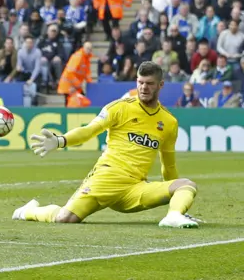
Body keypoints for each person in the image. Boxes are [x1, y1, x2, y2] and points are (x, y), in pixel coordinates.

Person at [14, 62, 200, 228]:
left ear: (160, 85)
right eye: (140, 82)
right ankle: (28, 211)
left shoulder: (168, 122)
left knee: (185, 185)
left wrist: (176, 200)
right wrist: (60, 140)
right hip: (107, 178)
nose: (143, 87)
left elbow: (168, 165)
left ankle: (174, 216)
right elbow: (89, 130)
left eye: (149, 83)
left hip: (135, 189)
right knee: (65, 218)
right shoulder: (119, 107)